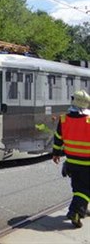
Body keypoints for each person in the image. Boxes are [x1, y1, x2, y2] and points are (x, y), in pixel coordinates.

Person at [52, 89, 90, 228]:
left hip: (72, 162)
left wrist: (55, 153)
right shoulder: (89, 120)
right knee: (86, 190)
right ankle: (75, 212)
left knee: (78, 188)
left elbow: (58, 139)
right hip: (87, 162)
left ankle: (83, 207)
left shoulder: (63, 119)